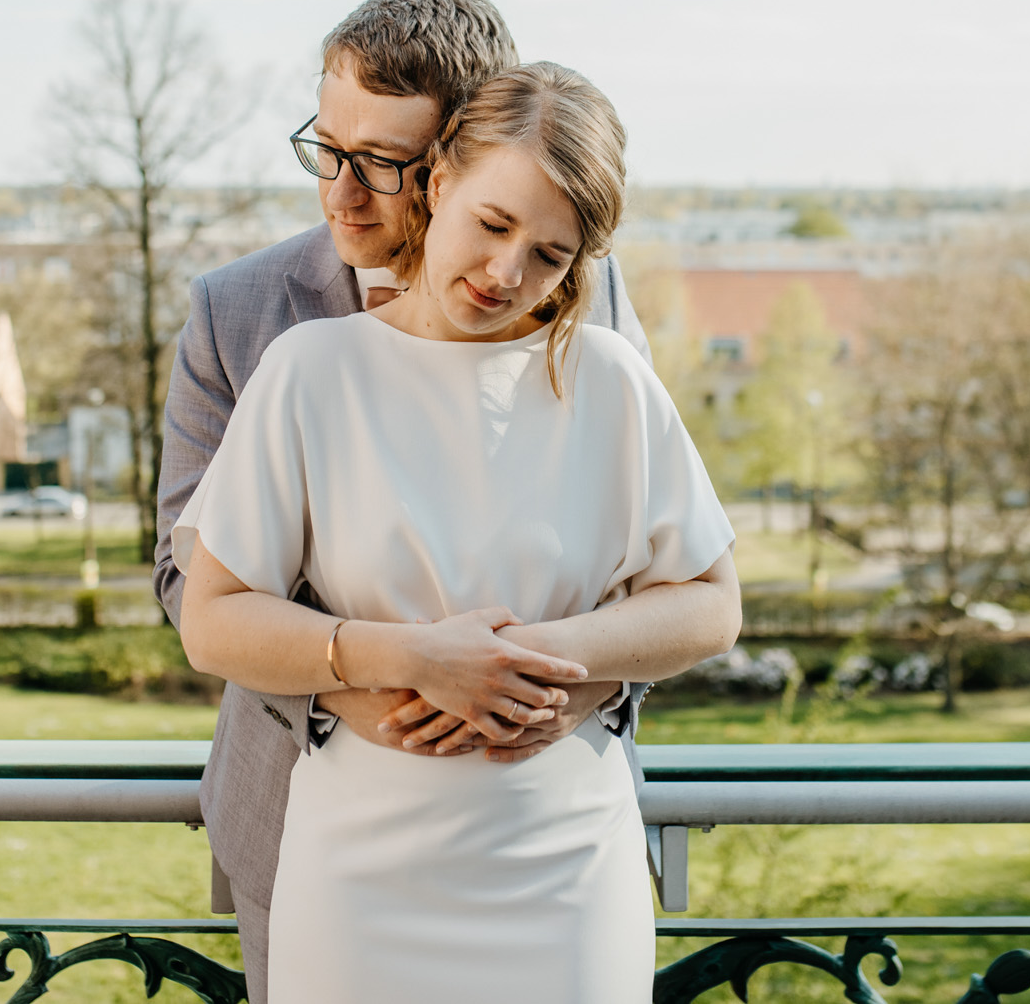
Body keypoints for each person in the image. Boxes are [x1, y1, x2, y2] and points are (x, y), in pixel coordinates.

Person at [173, 62, 741, 1002]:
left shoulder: (609, 379)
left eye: (550, 256)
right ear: (439, 187)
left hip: (565, 872)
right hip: (359, 873)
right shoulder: (310, 371)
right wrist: (415, 658)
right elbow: (213, 619)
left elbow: (711, 602)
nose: (506, 274)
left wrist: (537, 658)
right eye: (493, 225)